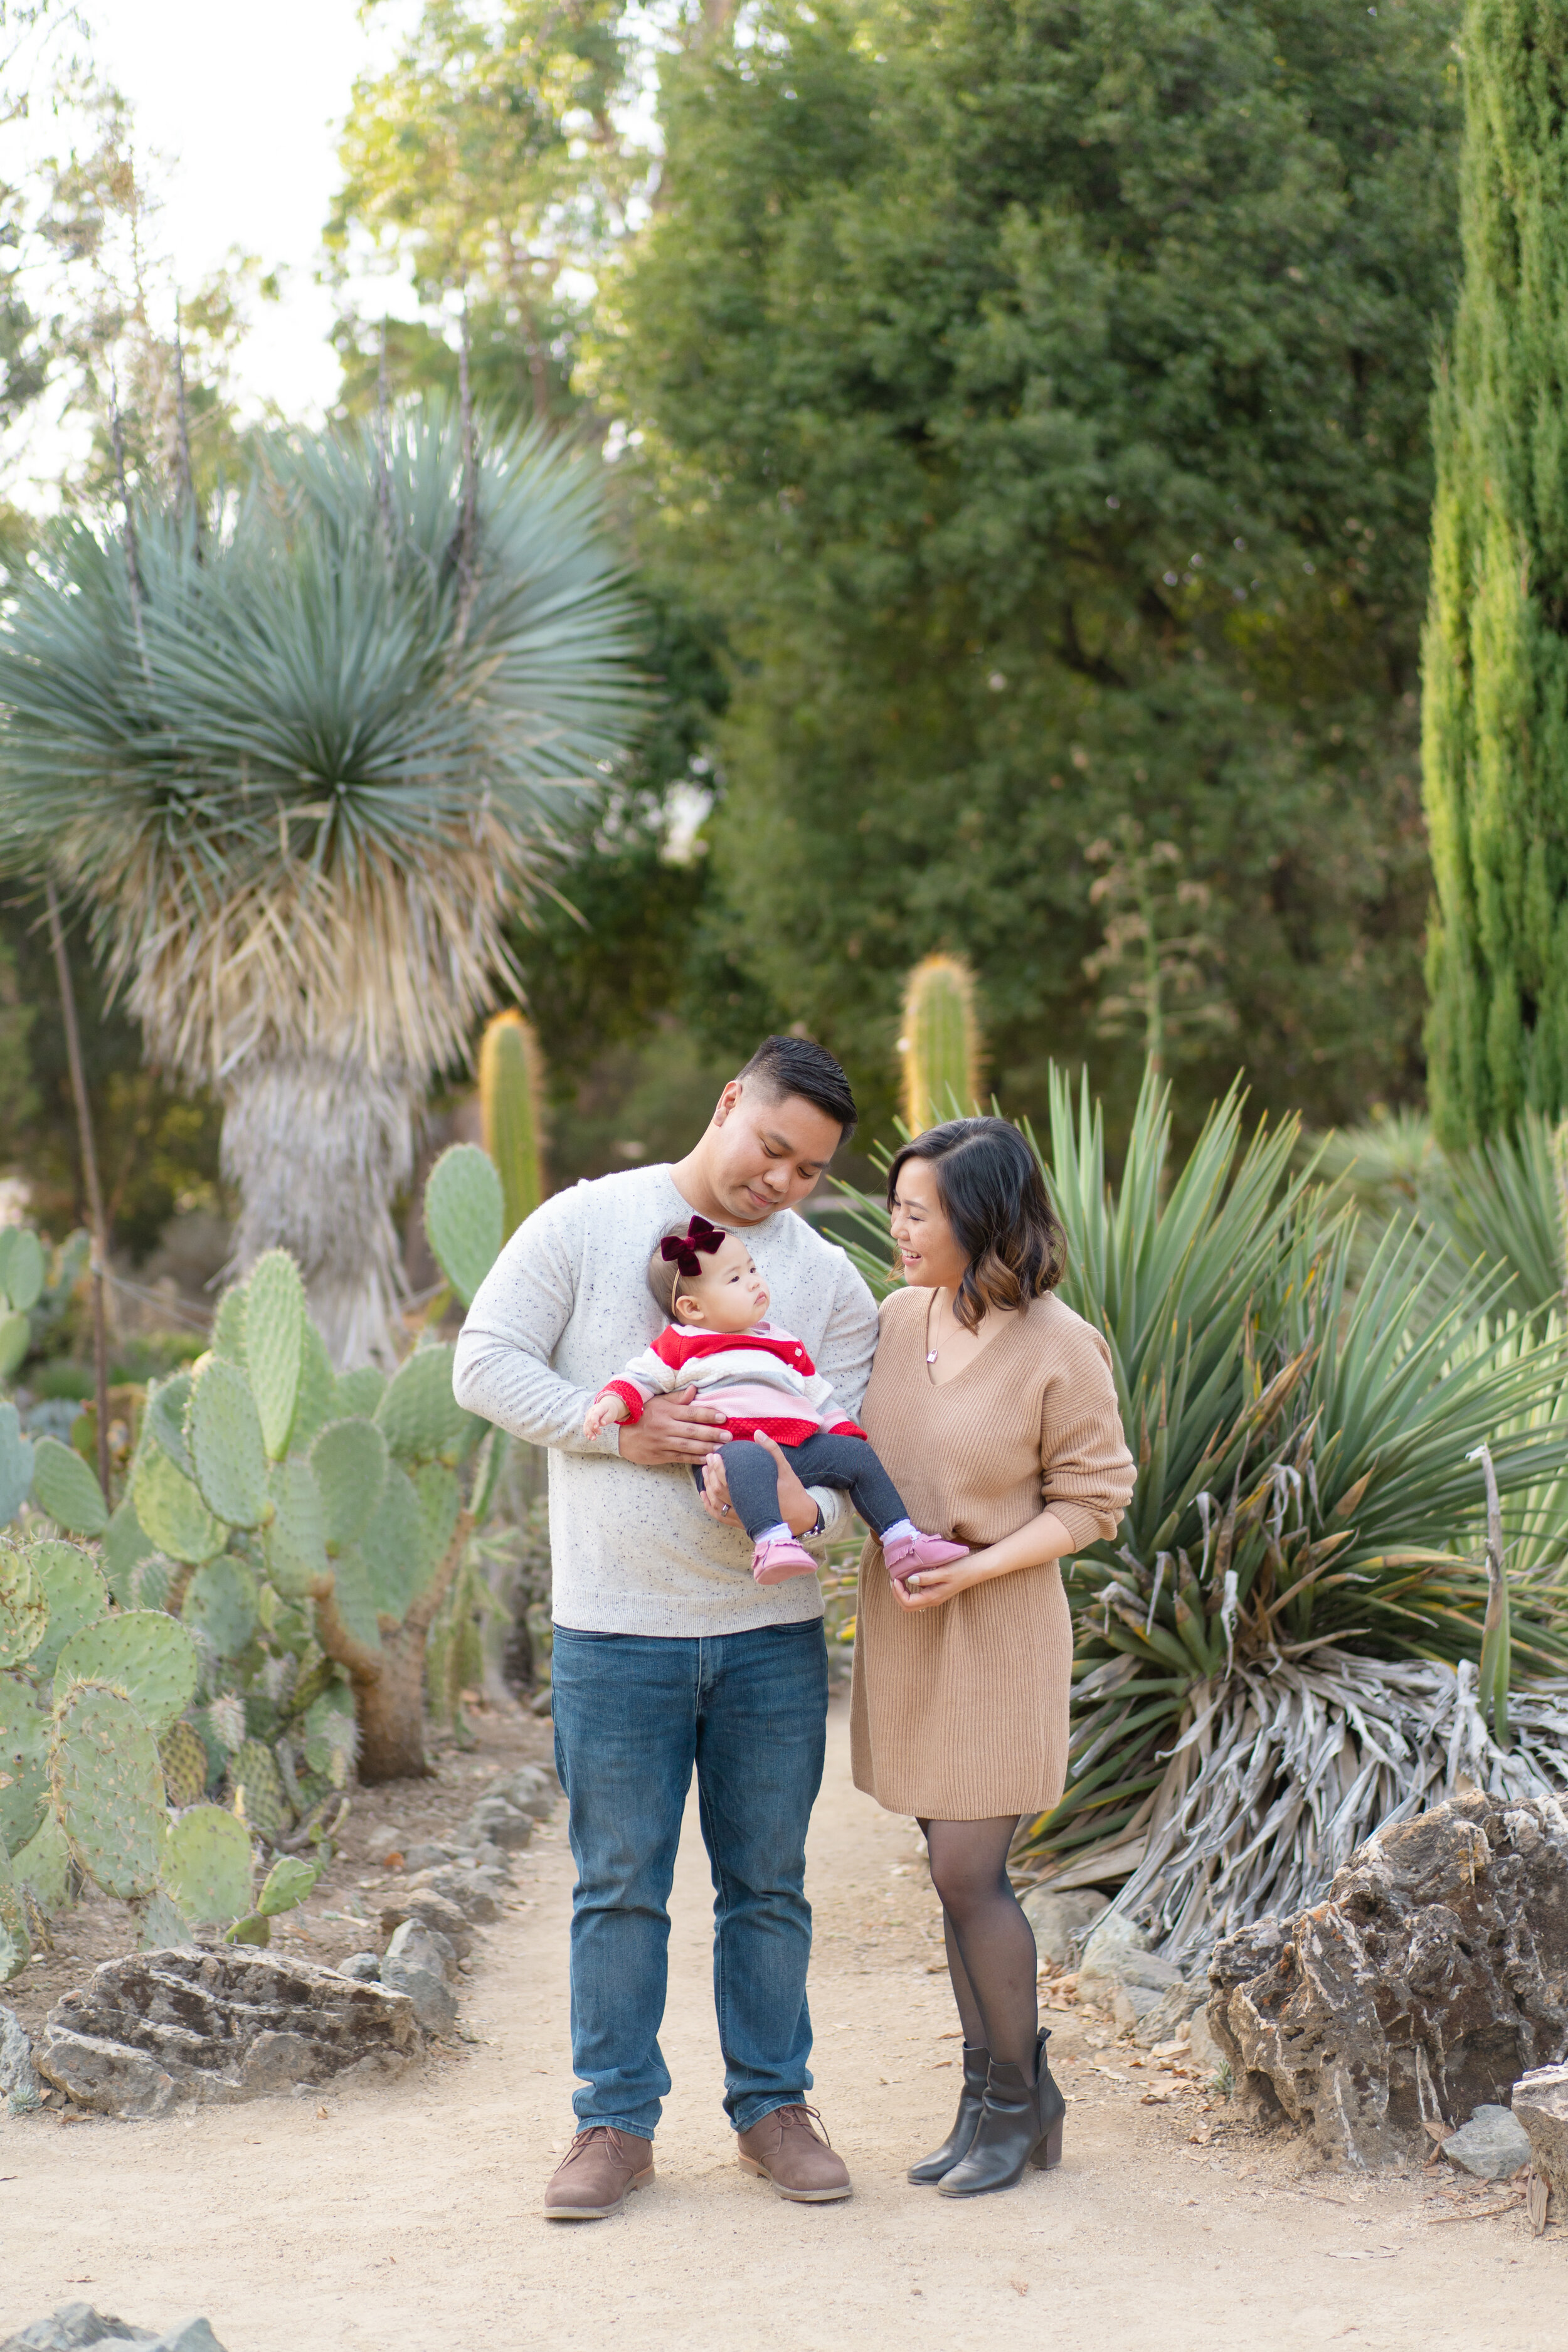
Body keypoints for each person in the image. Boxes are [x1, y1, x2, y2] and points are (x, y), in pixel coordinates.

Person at [452, 1036, 878, 2220]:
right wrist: (613, 1430)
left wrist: (815, 1510)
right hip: (614, 1628)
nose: (781, 1183)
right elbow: (481, 1364)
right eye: (771, 1149)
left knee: (769, 1885)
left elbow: (847, 1452)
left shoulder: (830, 1285)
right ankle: (613, 2125)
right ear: (729, 1101)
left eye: (808, 1171)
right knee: (620, 1884)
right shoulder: (586, 1224)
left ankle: (773, 2110)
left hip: (768, 1631)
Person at [849, 1117, 1133, 2196]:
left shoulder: (1062, 1344)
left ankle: (1018, 2104)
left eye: (919, 1210)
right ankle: (991, 2096)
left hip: (999, 1626)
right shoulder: (892, 1318)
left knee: (970, 1872)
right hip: (911, 1629)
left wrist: (974, 1570)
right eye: (897, 1205)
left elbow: (1095, 1502)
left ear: (983, 1219)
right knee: (949, 1876)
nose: (898, 1226)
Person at [582, 1212, 971, 1587]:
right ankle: (771, 1542)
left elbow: (819, 1398)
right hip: (729, 1450)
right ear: (692, 1308)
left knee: (858, 1456)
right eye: (735, 1279)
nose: (754, 1282)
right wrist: (611, 1405)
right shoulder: (683, 1342)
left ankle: (902, 1542)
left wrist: (842, 1431)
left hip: (795, 1446)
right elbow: (639, 1379)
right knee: (748, 1458)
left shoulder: (781, 1341)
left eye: (752, 1270)